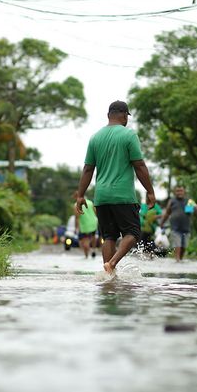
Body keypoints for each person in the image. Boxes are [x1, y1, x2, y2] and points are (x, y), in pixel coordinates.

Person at [75, 100, 156, 275]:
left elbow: (88, 168)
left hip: (101, 197)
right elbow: (139, 165)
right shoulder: (129, 135)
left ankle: (108, 275)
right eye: (127, 116)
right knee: (133, 232)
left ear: (108, 115)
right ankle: (112, 264)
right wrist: (150, 191)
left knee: (109, 236)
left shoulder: (95, 137)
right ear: (124, 115)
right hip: (123, 195)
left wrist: (80, 196)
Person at [160, 186, 197, 262]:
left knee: (184, 247)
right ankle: (177, 260)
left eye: (181, 191)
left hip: (186, 228)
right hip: (175, 228)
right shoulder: (172, 201)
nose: (179, 192)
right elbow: (167, 213)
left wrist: (194, 208)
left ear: (184, 192)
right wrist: (162, 223)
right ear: (175, 192)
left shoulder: (189, 201)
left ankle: (180, 260)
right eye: (177, 191)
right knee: (177, 245)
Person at [74, 191, 99, 258]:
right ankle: (93, 250)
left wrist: (76, 227)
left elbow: (77, 217)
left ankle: (86, 256)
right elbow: (96, 212)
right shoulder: (90, 202)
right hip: (93, 223)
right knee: (93, 236)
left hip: (84, 225)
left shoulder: (76, 204)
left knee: (85, 241)